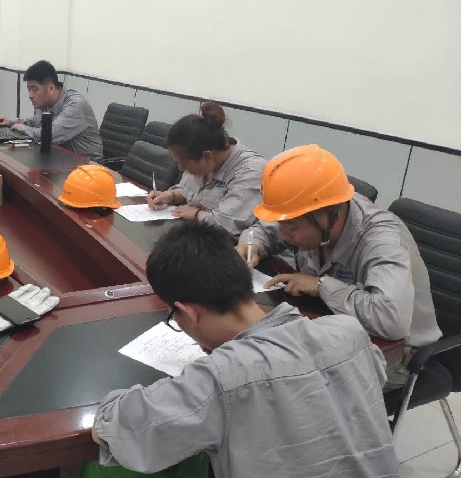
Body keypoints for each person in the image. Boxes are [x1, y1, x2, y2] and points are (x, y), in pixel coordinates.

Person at [92, 221, 399, 477]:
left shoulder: (220, 377)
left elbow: (116, 428)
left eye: (175, 318)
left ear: (188, 311)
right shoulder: (349, 331)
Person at [236, 144, 441, 389]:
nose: (283, 234)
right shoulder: (307, 213)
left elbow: (390, 320)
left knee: (277, 385)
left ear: (327, 215)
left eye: (291, 228)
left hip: (393, 358)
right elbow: (265, 228)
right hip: (333, 329)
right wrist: (252, 244)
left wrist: (321, 285)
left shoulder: (382, 240)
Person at [146, 102, 266, 239]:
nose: (181, 169)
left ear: (207, 157)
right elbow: (188, 190)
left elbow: (227, 226)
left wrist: (197, 214)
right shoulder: (202, 161)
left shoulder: (250, 172)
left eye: (184, 165)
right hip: (196, 236)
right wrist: (171, 195)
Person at [0, 60, 103, 162]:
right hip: (60, 159)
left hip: (88, 166)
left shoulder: (75, 105)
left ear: (51, 88)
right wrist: (11, 122)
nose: (30, 95)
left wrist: (25, 129)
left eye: (34, 90)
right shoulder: (44, 103)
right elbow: (36, 122)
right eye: (29, 90)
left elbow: (50, 135)